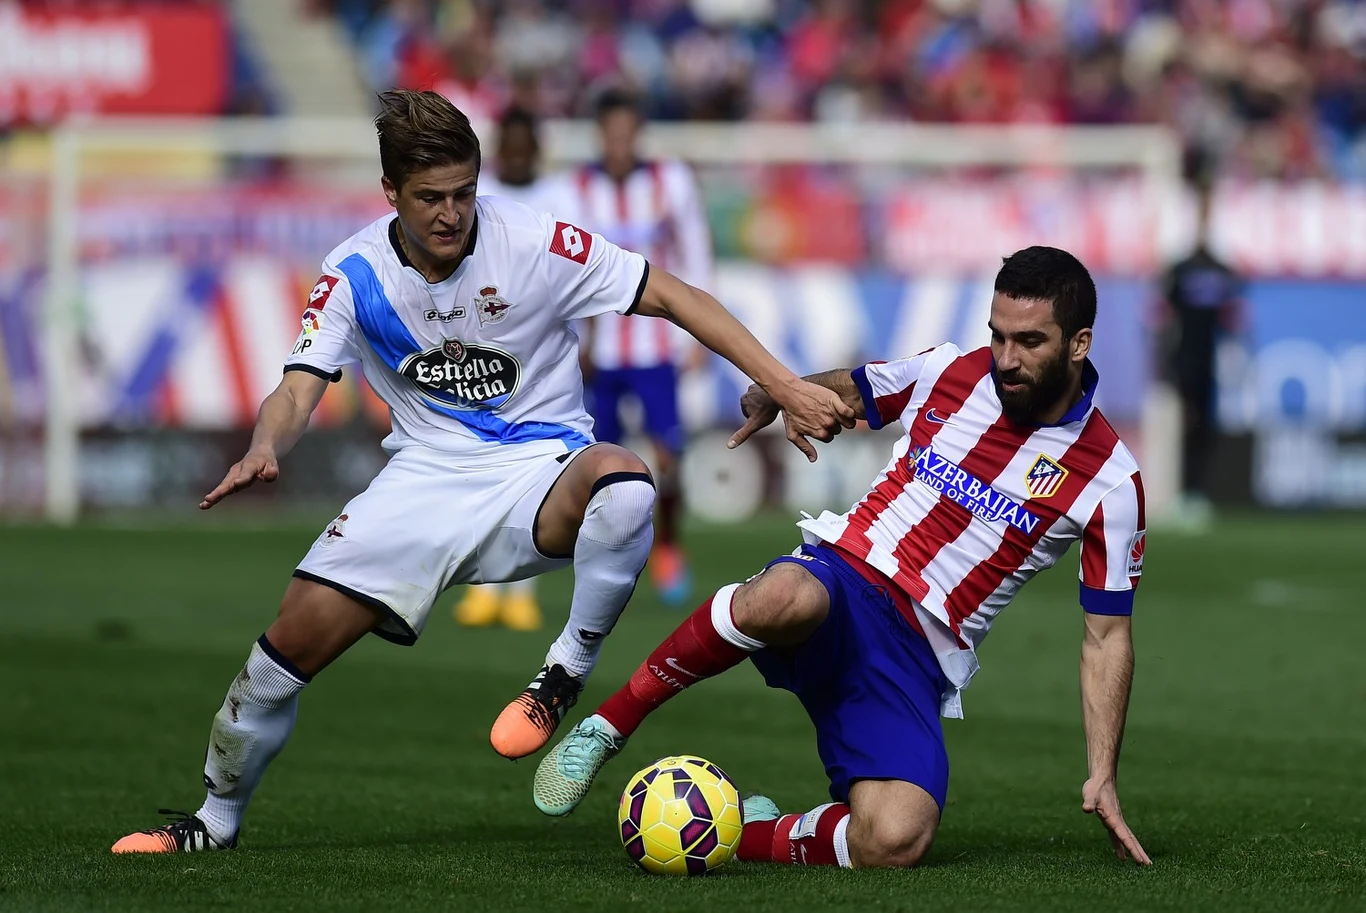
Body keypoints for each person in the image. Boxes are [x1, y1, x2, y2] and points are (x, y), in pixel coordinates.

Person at [110, 89, 852, 854]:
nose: (451, 213)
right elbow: (299, 387)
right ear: (390, 192)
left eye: (464, 193)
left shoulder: (535, 242)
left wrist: (789, 384)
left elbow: (672, 293)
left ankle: (562, 673)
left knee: (628, 487)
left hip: (541, 470)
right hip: (422, 485)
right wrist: (268, 442)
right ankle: (213, 821)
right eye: (429, 197)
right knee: (271, 667)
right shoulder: (353, 273)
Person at [532, 247, 1153, 870]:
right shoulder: (950, 373)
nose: (1007, 359)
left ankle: (740, 831)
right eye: (997, 336)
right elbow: (856, 389)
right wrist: (784, 393)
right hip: (847, 577)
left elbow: (1106, 638)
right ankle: (607, 728)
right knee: (782, 595)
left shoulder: (1111, 482)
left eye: (1030, 341)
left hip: (918, 655)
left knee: (897, 838)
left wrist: (1102, 772)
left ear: (1079, 344)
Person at [570, 89, 713, 605]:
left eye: (627, 133)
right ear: (600, 135)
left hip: (657, 346)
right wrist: (578, 336)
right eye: (611, 134)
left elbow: (694, 251)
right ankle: (601, 558)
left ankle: (669, 546)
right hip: (601, 349)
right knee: (596, 459)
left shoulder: (668, 180)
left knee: (668, 452)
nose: (619, 143)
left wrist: (698, 333)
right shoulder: (578, 187)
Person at [452, 105, 571, 633]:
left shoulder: (560, 197)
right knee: (479, 467)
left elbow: (576, 279)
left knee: (536, 470)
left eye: (527, 145)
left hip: (541, 351)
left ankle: (522, 591)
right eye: (511, 145)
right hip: (480, 349)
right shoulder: (475, 194)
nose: (518, 154)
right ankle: (484, 587)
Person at [1159, 182, 1242, 531]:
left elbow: (1234, 318)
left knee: (1202, 427)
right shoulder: (1179, 270)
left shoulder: (1224, 271)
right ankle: (1178, 491)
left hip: (1210, 361)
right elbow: (1163, 317)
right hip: (1183, 359)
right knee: (1182, 425)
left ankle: (1195, 493)